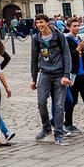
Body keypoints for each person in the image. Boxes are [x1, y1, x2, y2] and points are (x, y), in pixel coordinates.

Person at [28, 15, 75, 143]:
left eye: (41, 22)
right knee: (41, 102)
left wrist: (66, 75)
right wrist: (33, 78)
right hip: (45, 73)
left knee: (59, 105)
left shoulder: (59, 36)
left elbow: (66, 55)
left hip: (59, 74)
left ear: (47, 23)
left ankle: (59, 133)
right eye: (37, 23)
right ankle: (46, 127)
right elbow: (34, 59)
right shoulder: (36, 38)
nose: (39, 25)